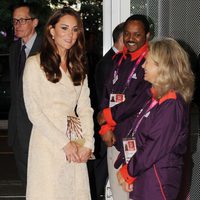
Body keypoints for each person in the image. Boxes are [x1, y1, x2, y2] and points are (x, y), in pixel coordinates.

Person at [23, 7, 94, 199]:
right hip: (47, 142)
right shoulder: (34, 64)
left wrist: (88, 143)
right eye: (64, 28)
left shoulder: (78, 65)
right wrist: (64, 143)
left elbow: (85, 108)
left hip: (75, 137)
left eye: (75, 29)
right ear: (52, 31)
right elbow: (34, 112)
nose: (70, 35)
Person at [117, 38, 194, 200]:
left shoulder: (171, 104)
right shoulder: (157, 99)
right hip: (146, 177)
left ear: (163, 67)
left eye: (148, 62)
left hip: (157, 181)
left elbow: (153, 147)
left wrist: (129, 172)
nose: (143, 66)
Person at [97, 15, 151, 199]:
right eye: (127, 34)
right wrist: (105, 127)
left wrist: (108, 116)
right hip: (113, 138)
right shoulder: (118, 60)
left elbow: (140, 100)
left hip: (138, 143)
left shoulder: (151, 62)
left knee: (137, 194)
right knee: (118, 194)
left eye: (137, 34)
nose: (130, 38)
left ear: (147, 35)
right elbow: (107, 92)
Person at [87, 22, 124, 200]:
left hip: (111, 125)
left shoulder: (117, 60)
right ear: (122, 38)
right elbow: (105, 98)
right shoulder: (108, 63)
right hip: (106, 127)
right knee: (100, 172)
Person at [8, 2, 42, 186]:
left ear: (35, 22)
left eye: (22, 20)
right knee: (27, 182)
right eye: (15, 21)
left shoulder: (47, 48)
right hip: (17, 128)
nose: (17, 25)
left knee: (42, 183)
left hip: (39, 127)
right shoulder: (14, 49)